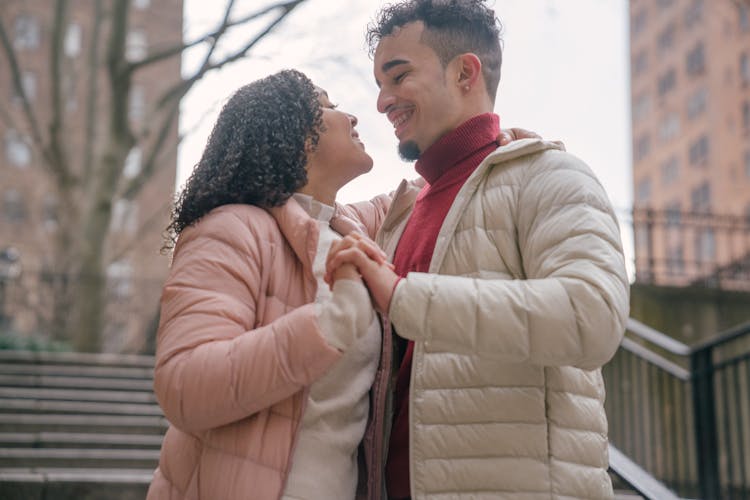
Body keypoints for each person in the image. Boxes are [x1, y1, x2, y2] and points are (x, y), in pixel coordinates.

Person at [325, 1, 630, 498]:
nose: (382, 101)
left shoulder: (550, 175)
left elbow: (591, 316)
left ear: (465, 72)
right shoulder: (398, 211)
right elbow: (309, 208)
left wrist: (405, 298)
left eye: (398, 76)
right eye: (380, 83)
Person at [147, 69, 395, 500]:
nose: (351, 117)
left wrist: (501, 146)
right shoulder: (230, 229)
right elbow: (184, 385)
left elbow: (420, 193)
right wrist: (327, 327)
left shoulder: (347, 228)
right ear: (296, 135)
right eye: (330, 106)